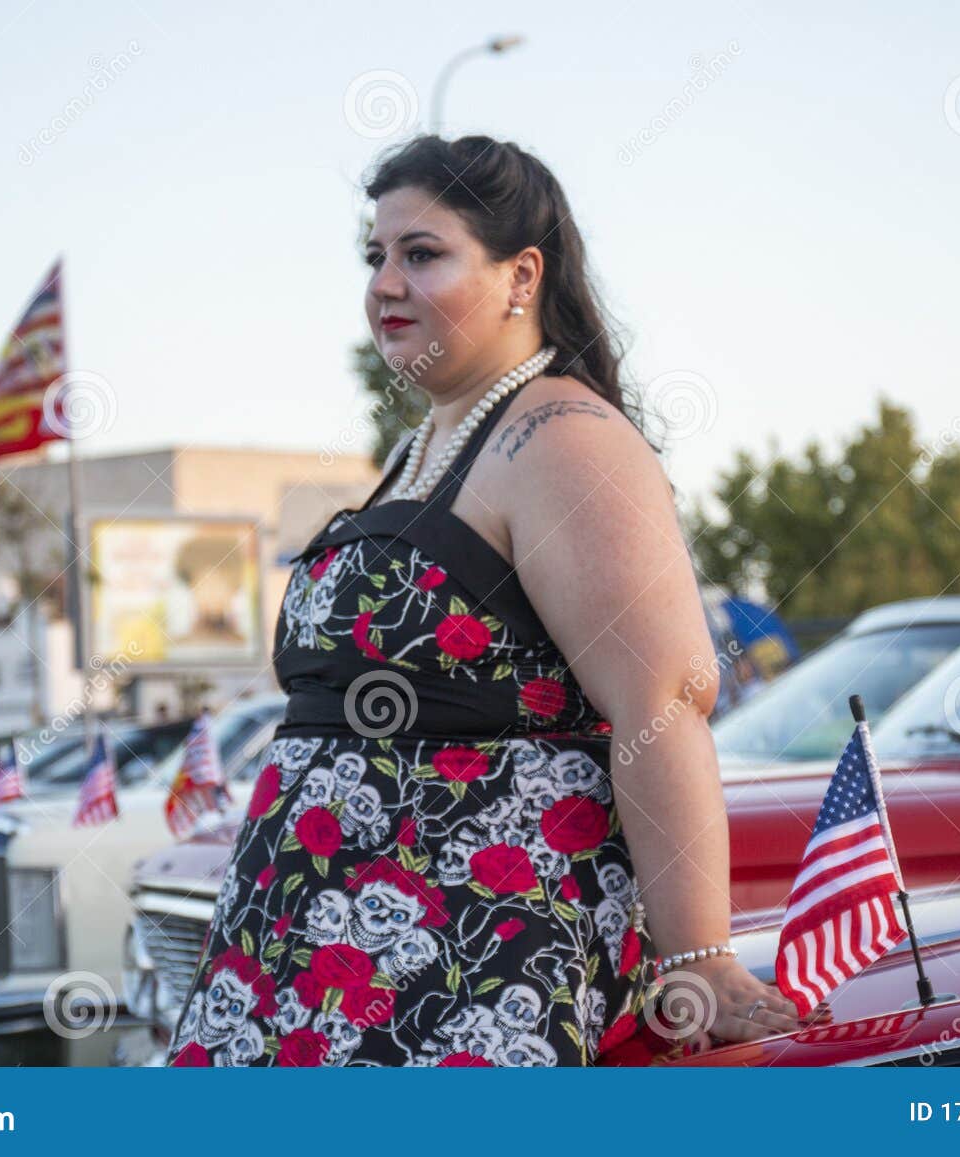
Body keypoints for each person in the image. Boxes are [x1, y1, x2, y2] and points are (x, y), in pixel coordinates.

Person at [163, 134, 801, 1068]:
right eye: (374, 256)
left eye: (421, 254)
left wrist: (702, 960)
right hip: (307, 959)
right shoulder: (426, 445)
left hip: (462, 970)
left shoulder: (563, 437)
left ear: (520, 276)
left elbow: (663, 702)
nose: (384, 283)